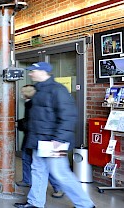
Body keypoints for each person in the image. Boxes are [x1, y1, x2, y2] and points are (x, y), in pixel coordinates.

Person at [14, 62, 94, 208]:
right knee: (38, 171)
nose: (30, 74)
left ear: (43, 72)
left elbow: (68, 116)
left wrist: (59, 139)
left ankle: (85, 205)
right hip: (38, 140)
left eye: (33, 71)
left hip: (53, 141)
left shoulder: (58, 90)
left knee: (60, 173)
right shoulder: (37, 90)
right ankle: (35, 203)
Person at [16, 85, 64, 198]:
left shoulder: (34, 105)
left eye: (23, 92)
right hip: (31, 138)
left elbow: (34, 122)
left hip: (40, 139)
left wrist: (20, 124)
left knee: (46, 165)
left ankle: (58, 187)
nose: (21, 94)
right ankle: (27, 180)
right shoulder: (30, 104)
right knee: (26, 159)